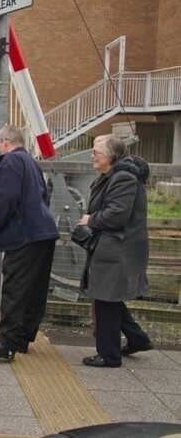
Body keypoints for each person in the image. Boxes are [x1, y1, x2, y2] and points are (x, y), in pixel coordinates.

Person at [0, 125, 59, 360]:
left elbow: (4, 202)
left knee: (16, 286)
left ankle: (7, 341)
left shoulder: (10, 162)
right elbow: (44, 196)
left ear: (4, 142)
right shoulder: (31, 162)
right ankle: (22, 337)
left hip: (24, 235)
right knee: (33, 289)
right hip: (43, 231)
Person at [79, 134, 153, 368]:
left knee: (105, 298)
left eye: (96, 152)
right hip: (116, 245)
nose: (92, 155)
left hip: (118, 247)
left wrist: (91, 219)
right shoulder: (117, 176)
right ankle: (137, 338)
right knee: (108, 297)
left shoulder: (122, 178)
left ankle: (108, 355)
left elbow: (117, 214)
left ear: (110, 156)